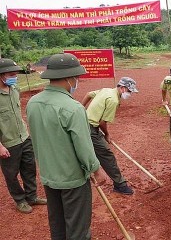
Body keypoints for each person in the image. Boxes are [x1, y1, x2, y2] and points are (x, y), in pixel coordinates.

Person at [26, 53, 107, 240]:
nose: (77, 81)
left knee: (57, 222)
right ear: (70, 78)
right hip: (72, 179)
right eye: (76, 77)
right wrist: (96, 169)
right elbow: (84, 147)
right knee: (78, 228)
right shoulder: (73, 108)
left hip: (49, 175)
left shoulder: (33, 103)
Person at [0, 58, 47, 214]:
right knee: (11, 174)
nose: (14, 77)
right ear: (1, 75)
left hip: (24, 137)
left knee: (29, 167)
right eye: (11, 74)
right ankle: (20, 200)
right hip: (7, 142)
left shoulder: (14, 90)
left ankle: (32, 197)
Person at [81, 77, 138, 195]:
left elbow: (88, 94)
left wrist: (81, 109)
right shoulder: (113, 100)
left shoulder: (106, 90)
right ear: (122, 88)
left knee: (99, 150)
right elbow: (102, 122)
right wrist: (107, 134)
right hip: (91, 128)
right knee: (107, 154)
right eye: (129, 91)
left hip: (87, 124)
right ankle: (120, 185)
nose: (130, 94)